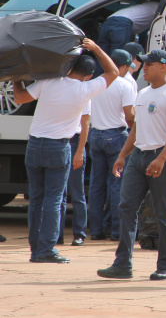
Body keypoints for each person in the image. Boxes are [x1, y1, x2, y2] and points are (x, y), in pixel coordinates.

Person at [13, 39, 118, 263]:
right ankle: (46, 250)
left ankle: (35, 249)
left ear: (69, 67)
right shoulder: (85, 90)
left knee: (37, 199)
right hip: (58, 147)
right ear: (88, 75)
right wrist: (97, 48)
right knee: (53, 198)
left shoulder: (50, 81)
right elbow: (113, 72)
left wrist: (16, 78)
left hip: (34, 145)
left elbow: (20, 98)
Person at [97, 50, 166, 279]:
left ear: (164, 67)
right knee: (126, 208)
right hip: (138, 157)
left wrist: (162, 158)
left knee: (163, 213)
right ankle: (122, 264)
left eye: (150, 64)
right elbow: (136, 128)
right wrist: (122, 155)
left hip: (161, 158)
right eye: (144, 64)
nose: (144, 68)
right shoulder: (144, 92)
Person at [88, 49, 136, 242]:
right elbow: (129, 116)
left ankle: (96, 230)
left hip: (96, 134)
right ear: (122, 66)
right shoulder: (124, 85)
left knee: (96, 185)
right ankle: (117, 231)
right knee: (117, 185)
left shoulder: (97, 82)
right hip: (116, 136)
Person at [59, 102, 91, 247]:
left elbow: (85, 125)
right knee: (60, 194)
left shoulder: (84, 94)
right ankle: (57, 234)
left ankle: (79, 234)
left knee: (77, 192)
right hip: (60, 140)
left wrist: (79, 152)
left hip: (75, 141)